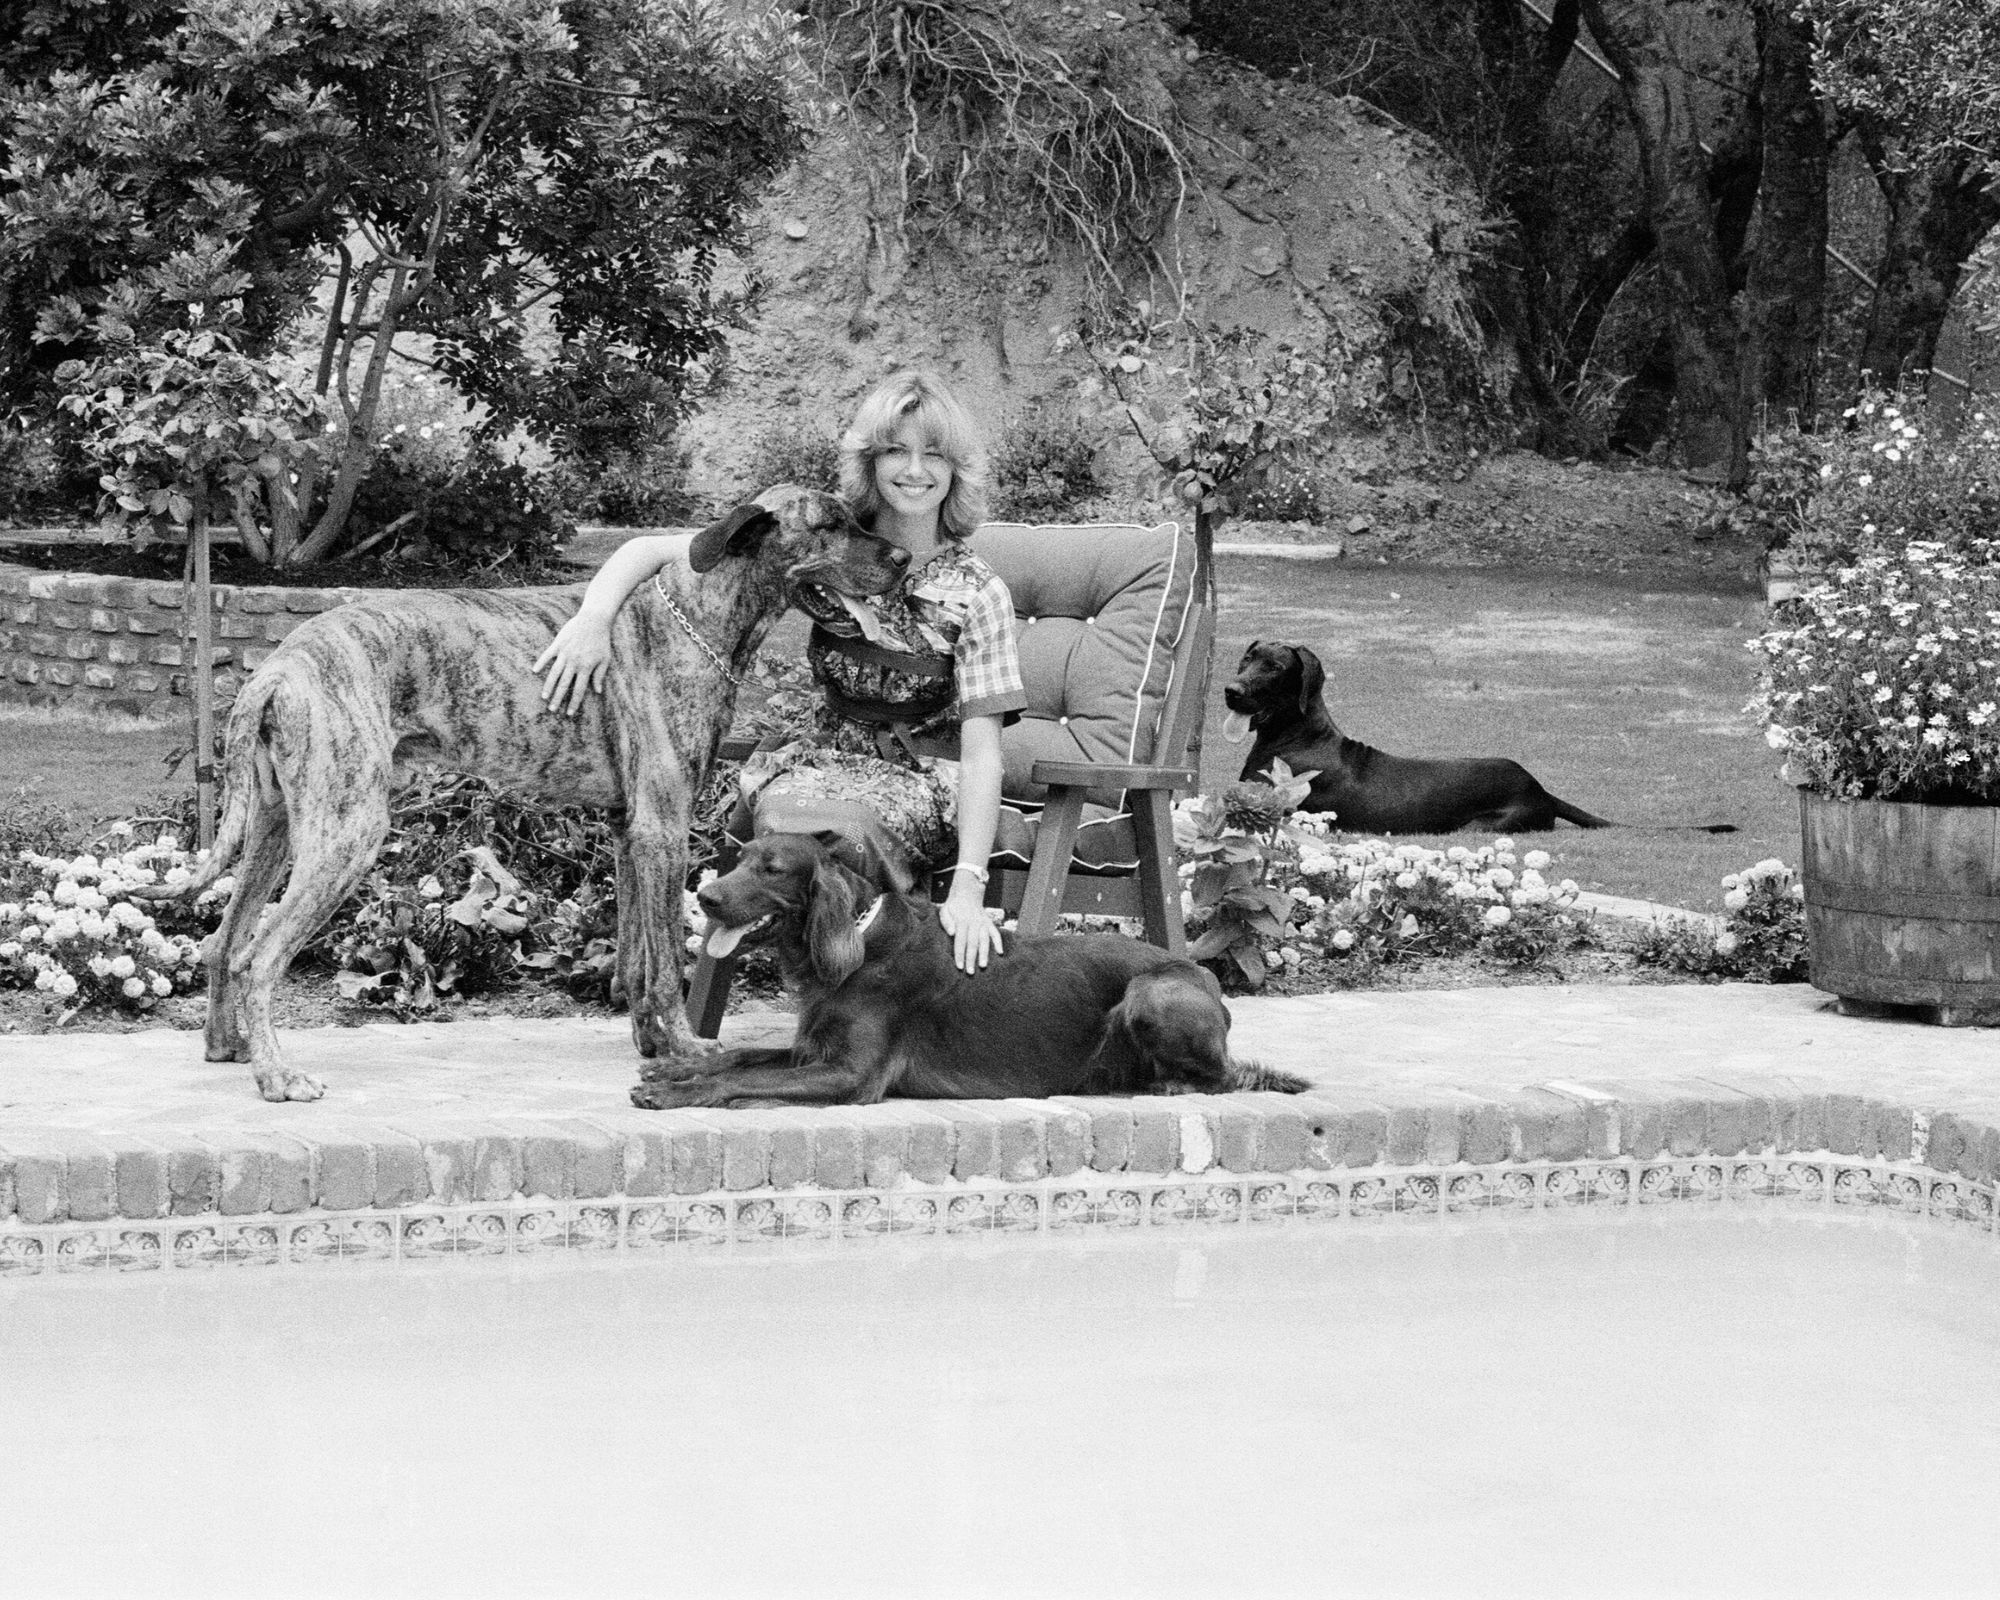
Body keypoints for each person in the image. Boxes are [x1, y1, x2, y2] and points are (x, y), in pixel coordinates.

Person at [535, 369, 1026, 974]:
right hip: (823, 762)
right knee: (790, 824)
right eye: (896, 450)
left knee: (841, 835)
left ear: (957, 469)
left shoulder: (977, 591)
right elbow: (651, 549)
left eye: (935, 454)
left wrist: (970, 885)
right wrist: (593, 618)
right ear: (870, 461)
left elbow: (982, 755)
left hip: (922, 778)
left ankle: (860, 998)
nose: (915, 469)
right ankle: (814, 985)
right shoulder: (823, 543)